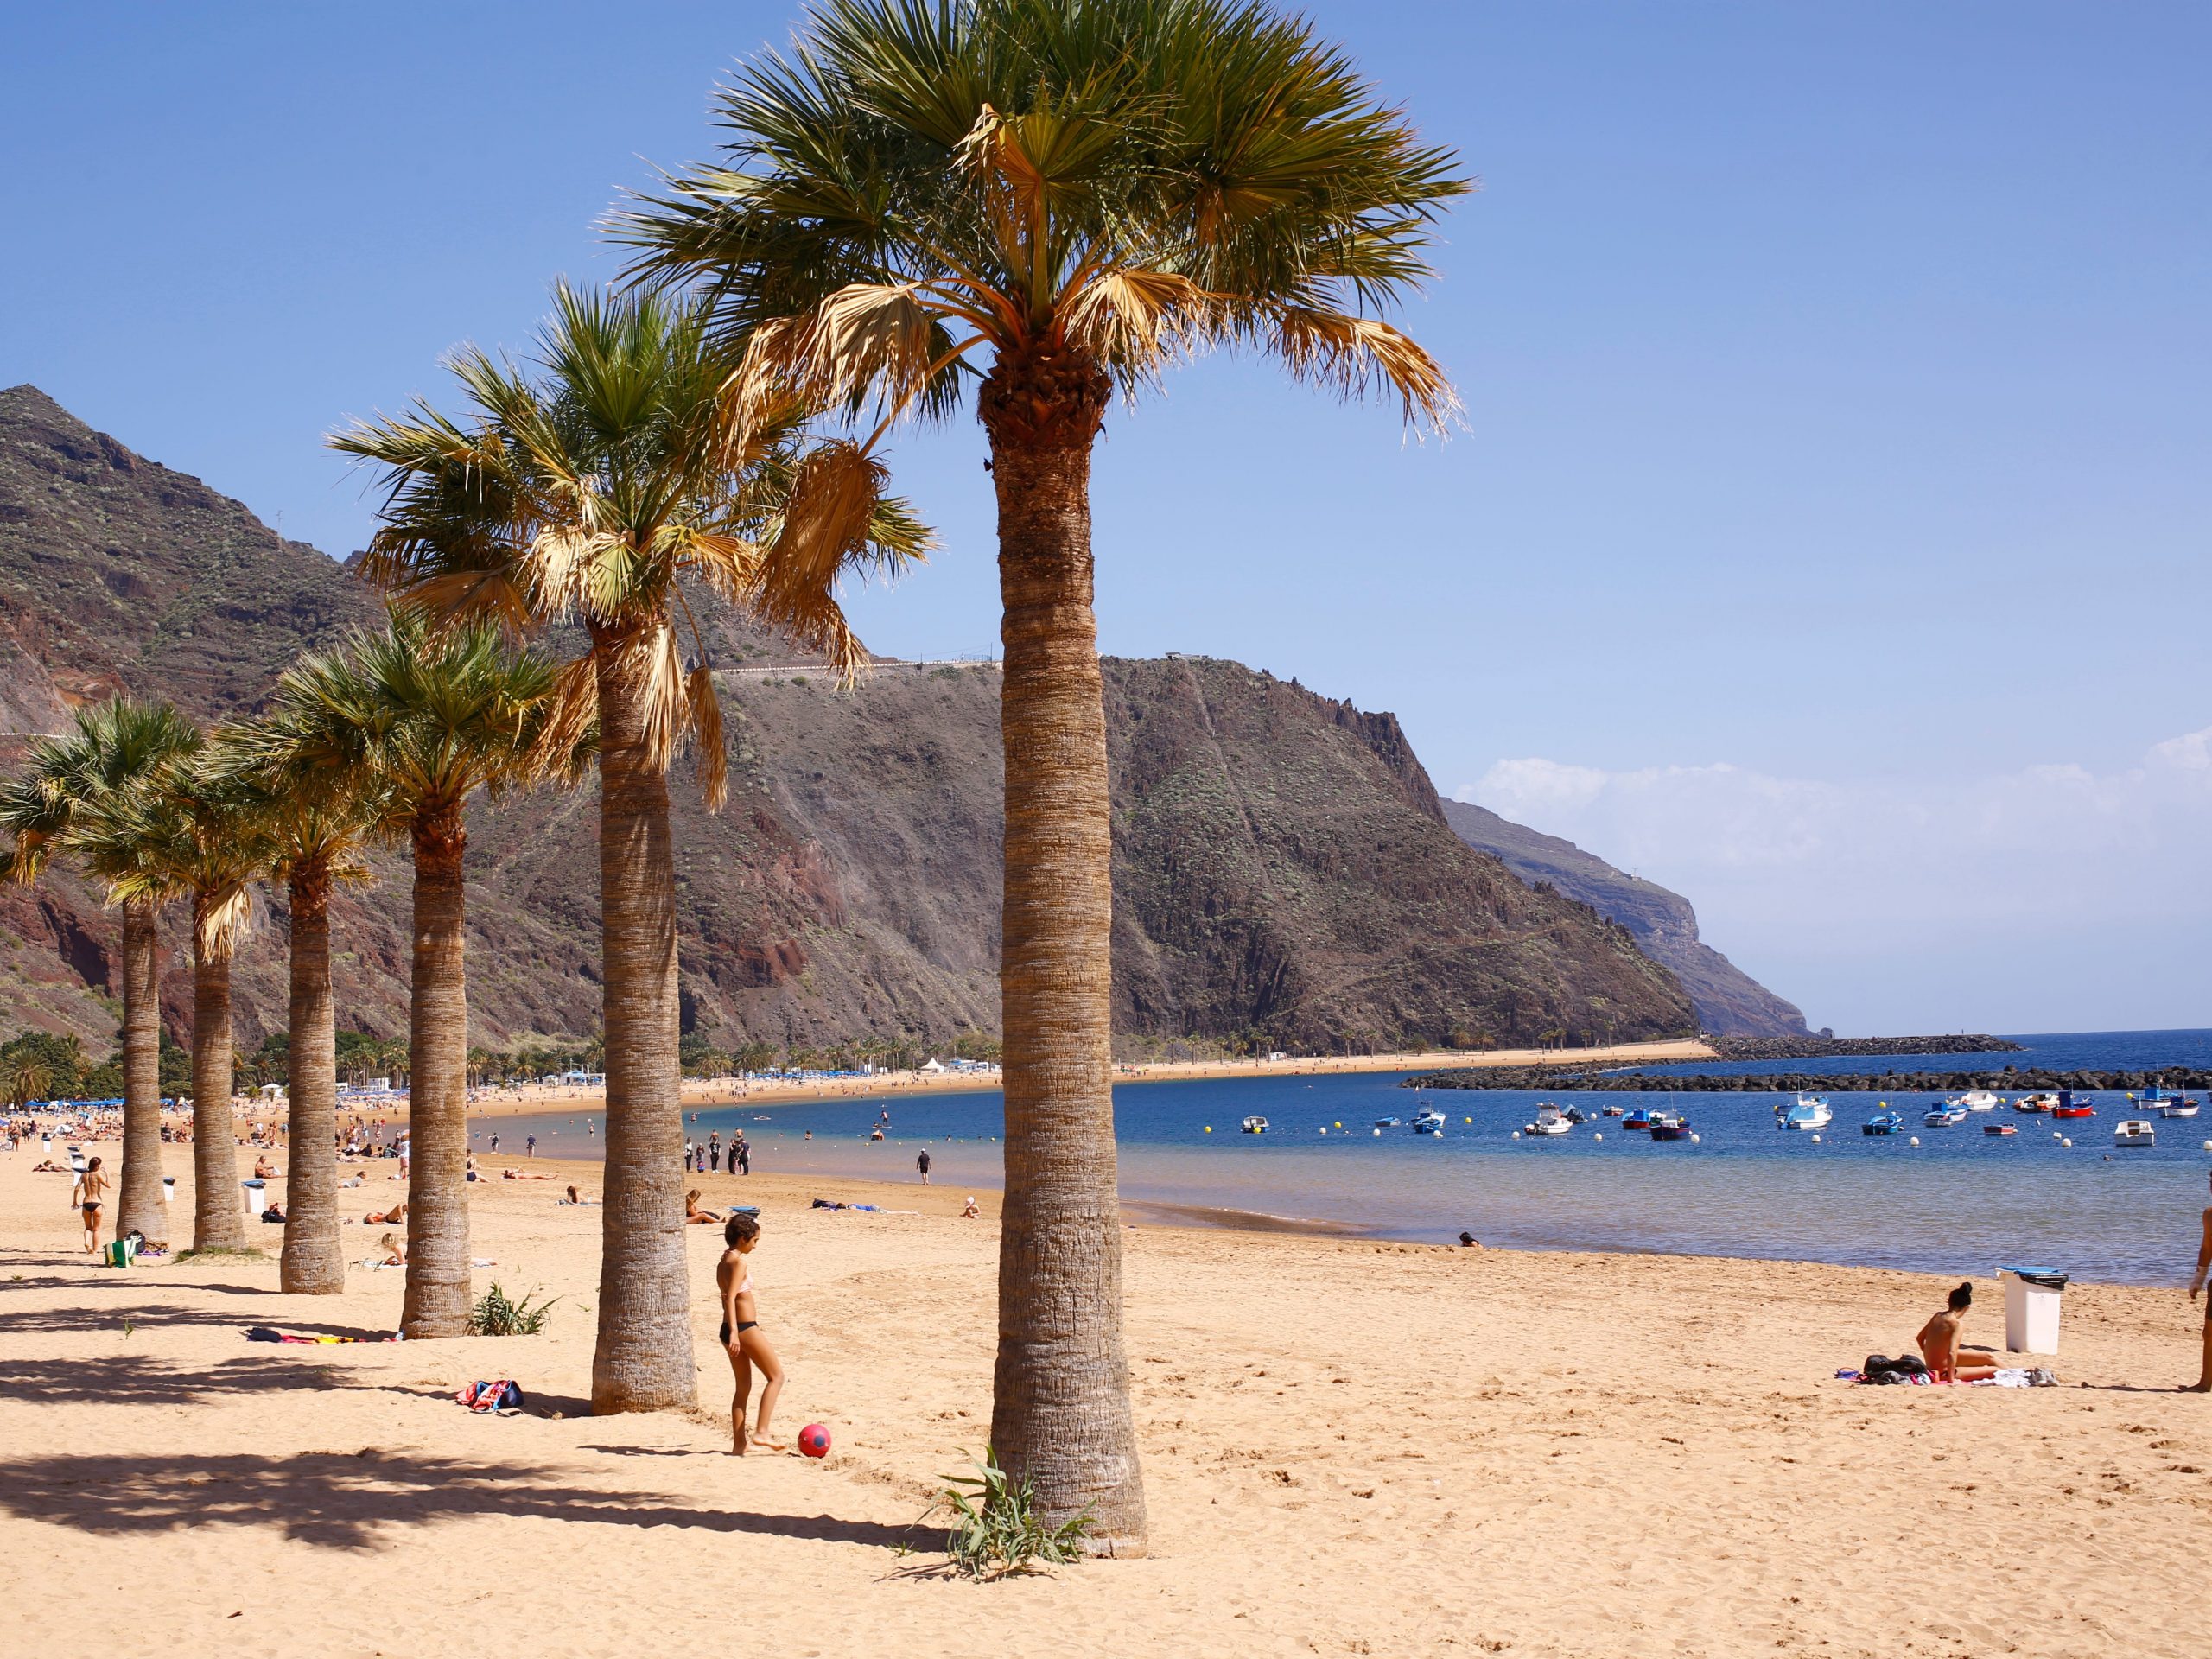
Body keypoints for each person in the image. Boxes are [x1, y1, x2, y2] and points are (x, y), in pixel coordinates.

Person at [716, 1212, 785, 1454]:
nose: (755, 1246)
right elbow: (732, 1298)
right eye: (754, 1241)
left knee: (742, 1387)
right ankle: (761, 1431)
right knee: (776, 1377)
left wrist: (730, 1331)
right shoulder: (739, 1263)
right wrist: (736, 1332)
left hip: (729, 1329)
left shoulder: (723, 1260)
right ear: (743, 1238)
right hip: (743, 1328)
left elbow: (725, 1296)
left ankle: (739, 1445)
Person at [1916, 1281, 1998, 1382]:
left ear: (1949, 1302)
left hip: (1932, 1366)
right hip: (1943, 1373)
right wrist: (1951, 1380)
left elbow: (1919, 1339)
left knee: (1988, 1356)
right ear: (1967, 1307)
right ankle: (2017, 1375)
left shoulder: (1937, 1316)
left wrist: (1929, 1356)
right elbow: (1952, 1353)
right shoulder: (1956, 1324)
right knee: (1995, 1370)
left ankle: (2017, 1373)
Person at [2186, 1170, 2212, 1392]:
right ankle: (2205, 1383)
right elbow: (2206, 1248)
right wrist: (2198, 1280)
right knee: (2209, 1333)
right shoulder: (2210, 1215)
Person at [71, 1156, 107, 1254]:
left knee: (88, 1227)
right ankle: (95, 1250)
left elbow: (77, 1188)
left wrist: (75, 1201)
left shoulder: (84, 1175)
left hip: (86, 1202)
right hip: (97, 1202)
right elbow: (108, 1185)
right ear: (96, 1166)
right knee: (96, 1229)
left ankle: (86, 1242)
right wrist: (106, 1174)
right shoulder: (98, 1175)